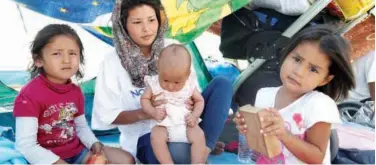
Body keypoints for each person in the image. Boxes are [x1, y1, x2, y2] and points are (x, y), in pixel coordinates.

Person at [91, 0, 233, 163]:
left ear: (159, 20)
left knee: (222, 84)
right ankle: (196, 151)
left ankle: (204, 149)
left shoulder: (174, 48)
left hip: (184, 126)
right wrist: (145, 112)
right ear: (123, 25)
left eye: (151, 20)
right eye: (137, 22)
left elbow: (193, 95)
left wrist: (189, 106)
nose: (146, 29)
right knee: (168, 152)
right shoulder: (112, 62)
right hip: (147, 137)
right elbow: (106, 116)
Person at [13, 24, 134, 164]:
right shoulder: (29, 95)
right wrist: (57, 161)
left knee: (126, 160)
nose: (66, 60)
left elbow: (81, 127)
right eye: (57, 53)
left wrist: (94, 143)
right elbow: (26, 145)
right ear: (38, 60)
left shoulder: (75, 92)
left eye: (72, 53)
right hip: (46, 158)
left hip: (78, 152)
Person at [234, 25, 355, 164]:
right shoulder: (263, 95)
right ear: (286, 54)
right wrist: (247, 129)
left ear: (325, 79)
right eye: (297, 59)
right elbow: (260, 147)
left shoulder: (319, 105)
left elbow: (317, 158)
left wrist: (284, 135)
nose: (298, 72)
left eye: (313, 69)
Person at [141, 44, 206, 164]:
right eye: (165, 80)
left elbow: (200, 100)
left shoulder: (189, 84)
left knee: (199, 135)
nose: (170, 86)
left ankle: (198, 162)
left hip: (186, 123)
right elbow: (144, 99)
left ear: (187, 75)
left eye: (176, 82)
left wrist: (195, 116)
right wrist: (153, 112)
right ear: (158, 70)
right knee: (156, 136)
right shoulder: (154, 83)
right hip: (164, 124)